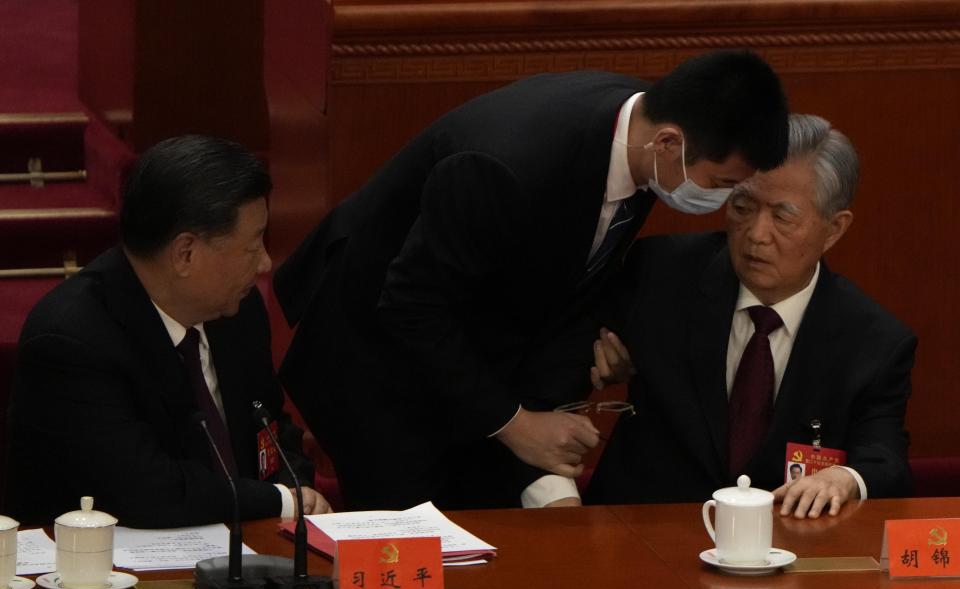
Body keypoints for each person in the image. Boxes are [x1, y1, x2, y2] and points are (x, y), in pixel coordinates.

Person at [276, 50, 789, 511]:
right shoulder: (506, 166)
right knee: (419, 561)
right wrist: (514, 423)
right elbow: (412, 307)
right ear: (669, 142)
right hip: (375, 358)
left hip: (472, 345)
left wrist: (533, 411)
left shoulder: (645, 139)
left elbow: (569, 282)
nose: (718, 202)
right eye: (721, 185)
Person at [585, 114, 915, 518]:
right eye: (742, 206)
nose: (757, 234)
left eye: (783, 217)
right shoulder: (659, 274)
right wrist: (597, 357)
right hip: (640, 534)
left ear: (833, 230)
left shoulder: (873, 341)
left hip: (783, 550)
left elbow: (886, 460)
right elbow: (562, 350)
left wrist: (844, 477)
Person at [3, 135, 332, 527]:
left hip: (243, 550)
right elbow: (144, 490)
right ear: (185, 254)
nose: (264, 263)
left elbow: (271, 426)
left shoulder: (237, 313)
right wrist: (278, 500)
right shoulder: (72, 339)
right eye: (252, 245)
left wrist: (293, 486)